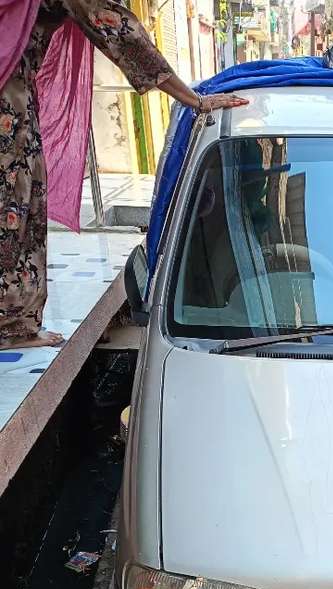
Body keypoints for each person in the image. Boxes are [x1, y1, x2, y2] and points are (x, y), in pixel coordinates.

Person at [0, 0, 247, 349]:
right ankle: (9, 326)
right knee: (14, 204)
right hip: (7, 108)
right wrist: (195, 100)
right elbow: (119, 30)